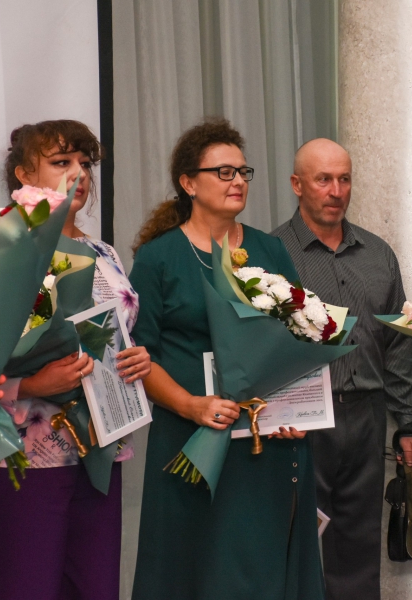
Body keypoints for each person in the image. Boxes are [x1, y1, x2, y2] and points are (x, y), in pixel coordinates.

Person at [129, 119, 322, 600]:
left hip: (262, 439)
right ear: (188, 183)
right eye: (223, 172)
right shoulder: (158, 258)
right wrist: (191, 405)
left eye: (242, 171)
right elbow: (139, 359)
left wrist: (298, 413)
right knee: (191, 568)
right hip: (189, 437)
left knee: (257, 569)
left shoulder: (269, 248)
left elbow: (298, 336)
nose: (237, 181)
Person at [0, 120, 151, 600]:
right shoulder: (1, 247)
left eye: (85, 163)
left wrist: (136, 358)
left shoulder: (103, 251)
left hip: (100, 447)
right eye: (61, 162)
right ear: (25, 174)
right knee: (21, 584)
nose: (79, 173)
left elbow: (115, 333)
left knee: (92, 585)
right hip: (24, 451)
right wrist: (28, 386)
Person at [272, 138, 412, 600]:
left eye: (344, 179)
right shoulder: (272, 253)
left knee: (357, 545)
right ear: (297, 184)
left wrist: (407, 424)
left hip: (366, 416)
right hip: (300, 421)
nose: (336, 191)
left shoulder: (379, 254)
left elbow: (397, 344)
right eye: (323, 180)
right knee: (293, 544)